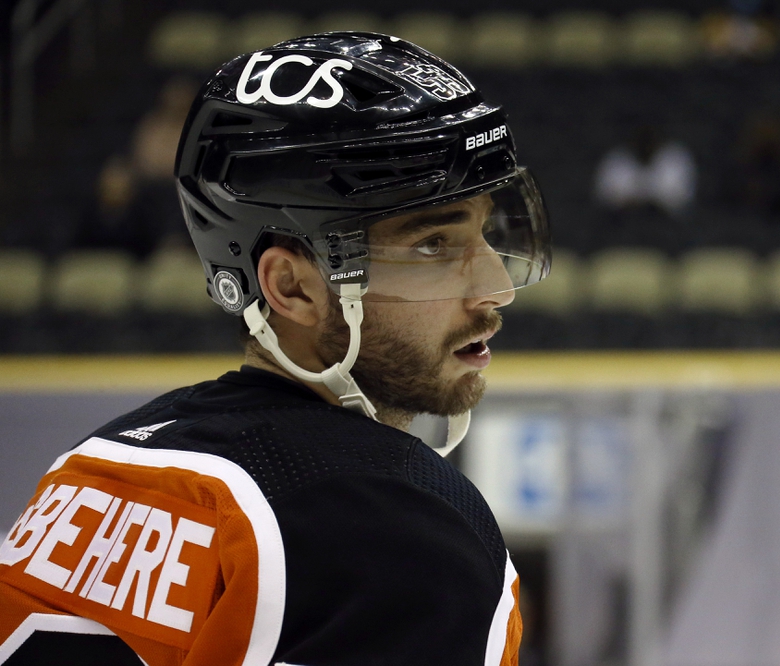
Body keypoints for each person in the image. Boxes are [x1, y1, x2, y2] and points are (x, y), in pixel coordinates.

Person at [0, 33, 551, 665]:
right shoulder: (407, 540)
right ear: (292, 287)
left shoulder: (91, 468)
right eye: (433, 245)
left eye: (485, 233)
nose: (497, 288)